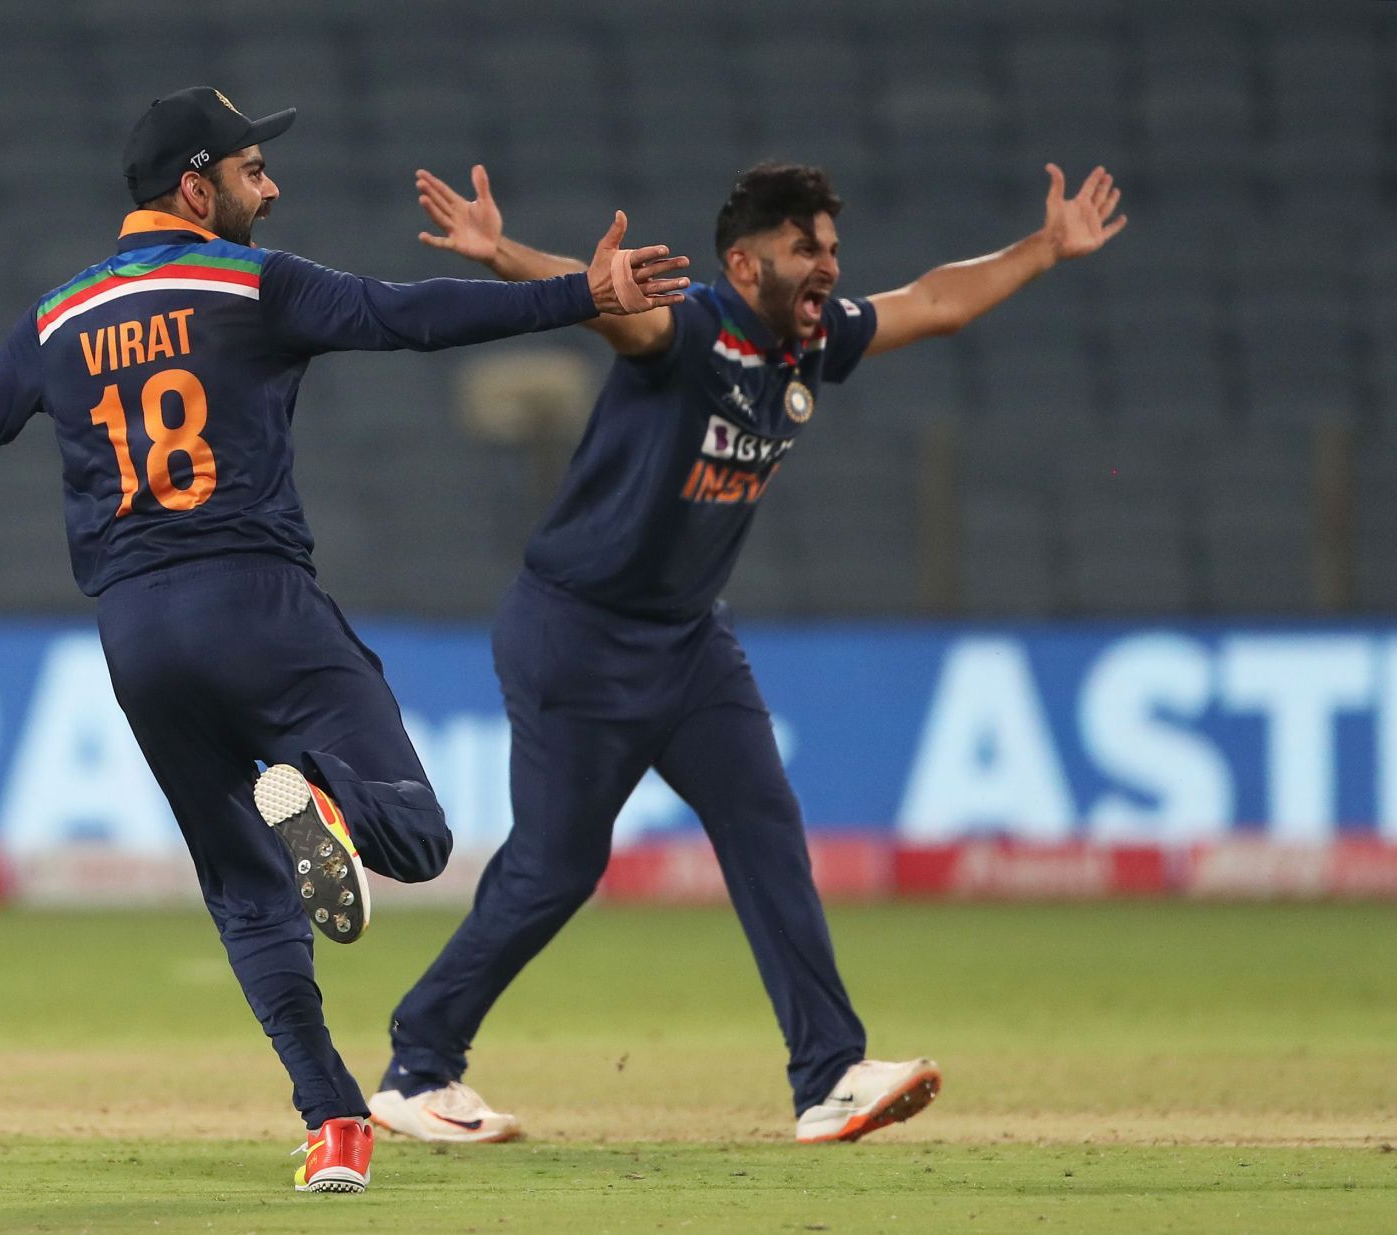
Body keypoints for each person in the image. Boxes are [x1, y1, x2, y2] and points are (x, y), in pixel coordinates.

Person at [0, 86, 689, 1194]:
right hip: (258, 606)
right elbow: (412, 316)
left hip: (138, 639)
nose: (273, 185)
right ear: (196, 185)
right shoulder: (256, 284)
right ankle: (323, 798)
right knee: (419, 838)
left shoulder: (54, 319)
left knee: (246, 893)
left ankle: (332, 1124)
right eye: (255, 169)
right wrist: (576, 294)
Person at [370, 159, 1126, 1145]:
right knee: (556, 867)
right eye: (805, 247)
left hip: (687, 640)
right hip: (579, 633)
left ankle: (827, 1075)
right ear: (745, 260)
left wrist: (1045, 247)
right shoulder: (691, 329)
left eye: (834, 248)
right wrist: (506, 253)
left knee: (764, 820)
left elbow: (935, 302)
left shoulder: (809, 342)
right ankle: (418, 1067)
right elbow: (616, 312)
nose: (828, 264)